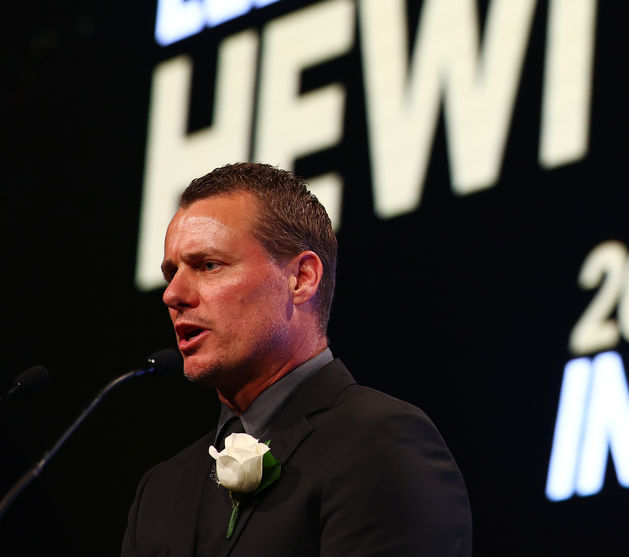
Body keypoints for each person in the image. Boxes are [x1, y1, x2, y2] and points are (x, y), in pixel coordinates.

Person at [122, 163, 471, 556]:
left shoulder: (378, 443)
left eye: (208, 265)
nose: (173, 295)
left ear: (302, 278)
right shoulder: (161, 492)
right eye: (171, 273)